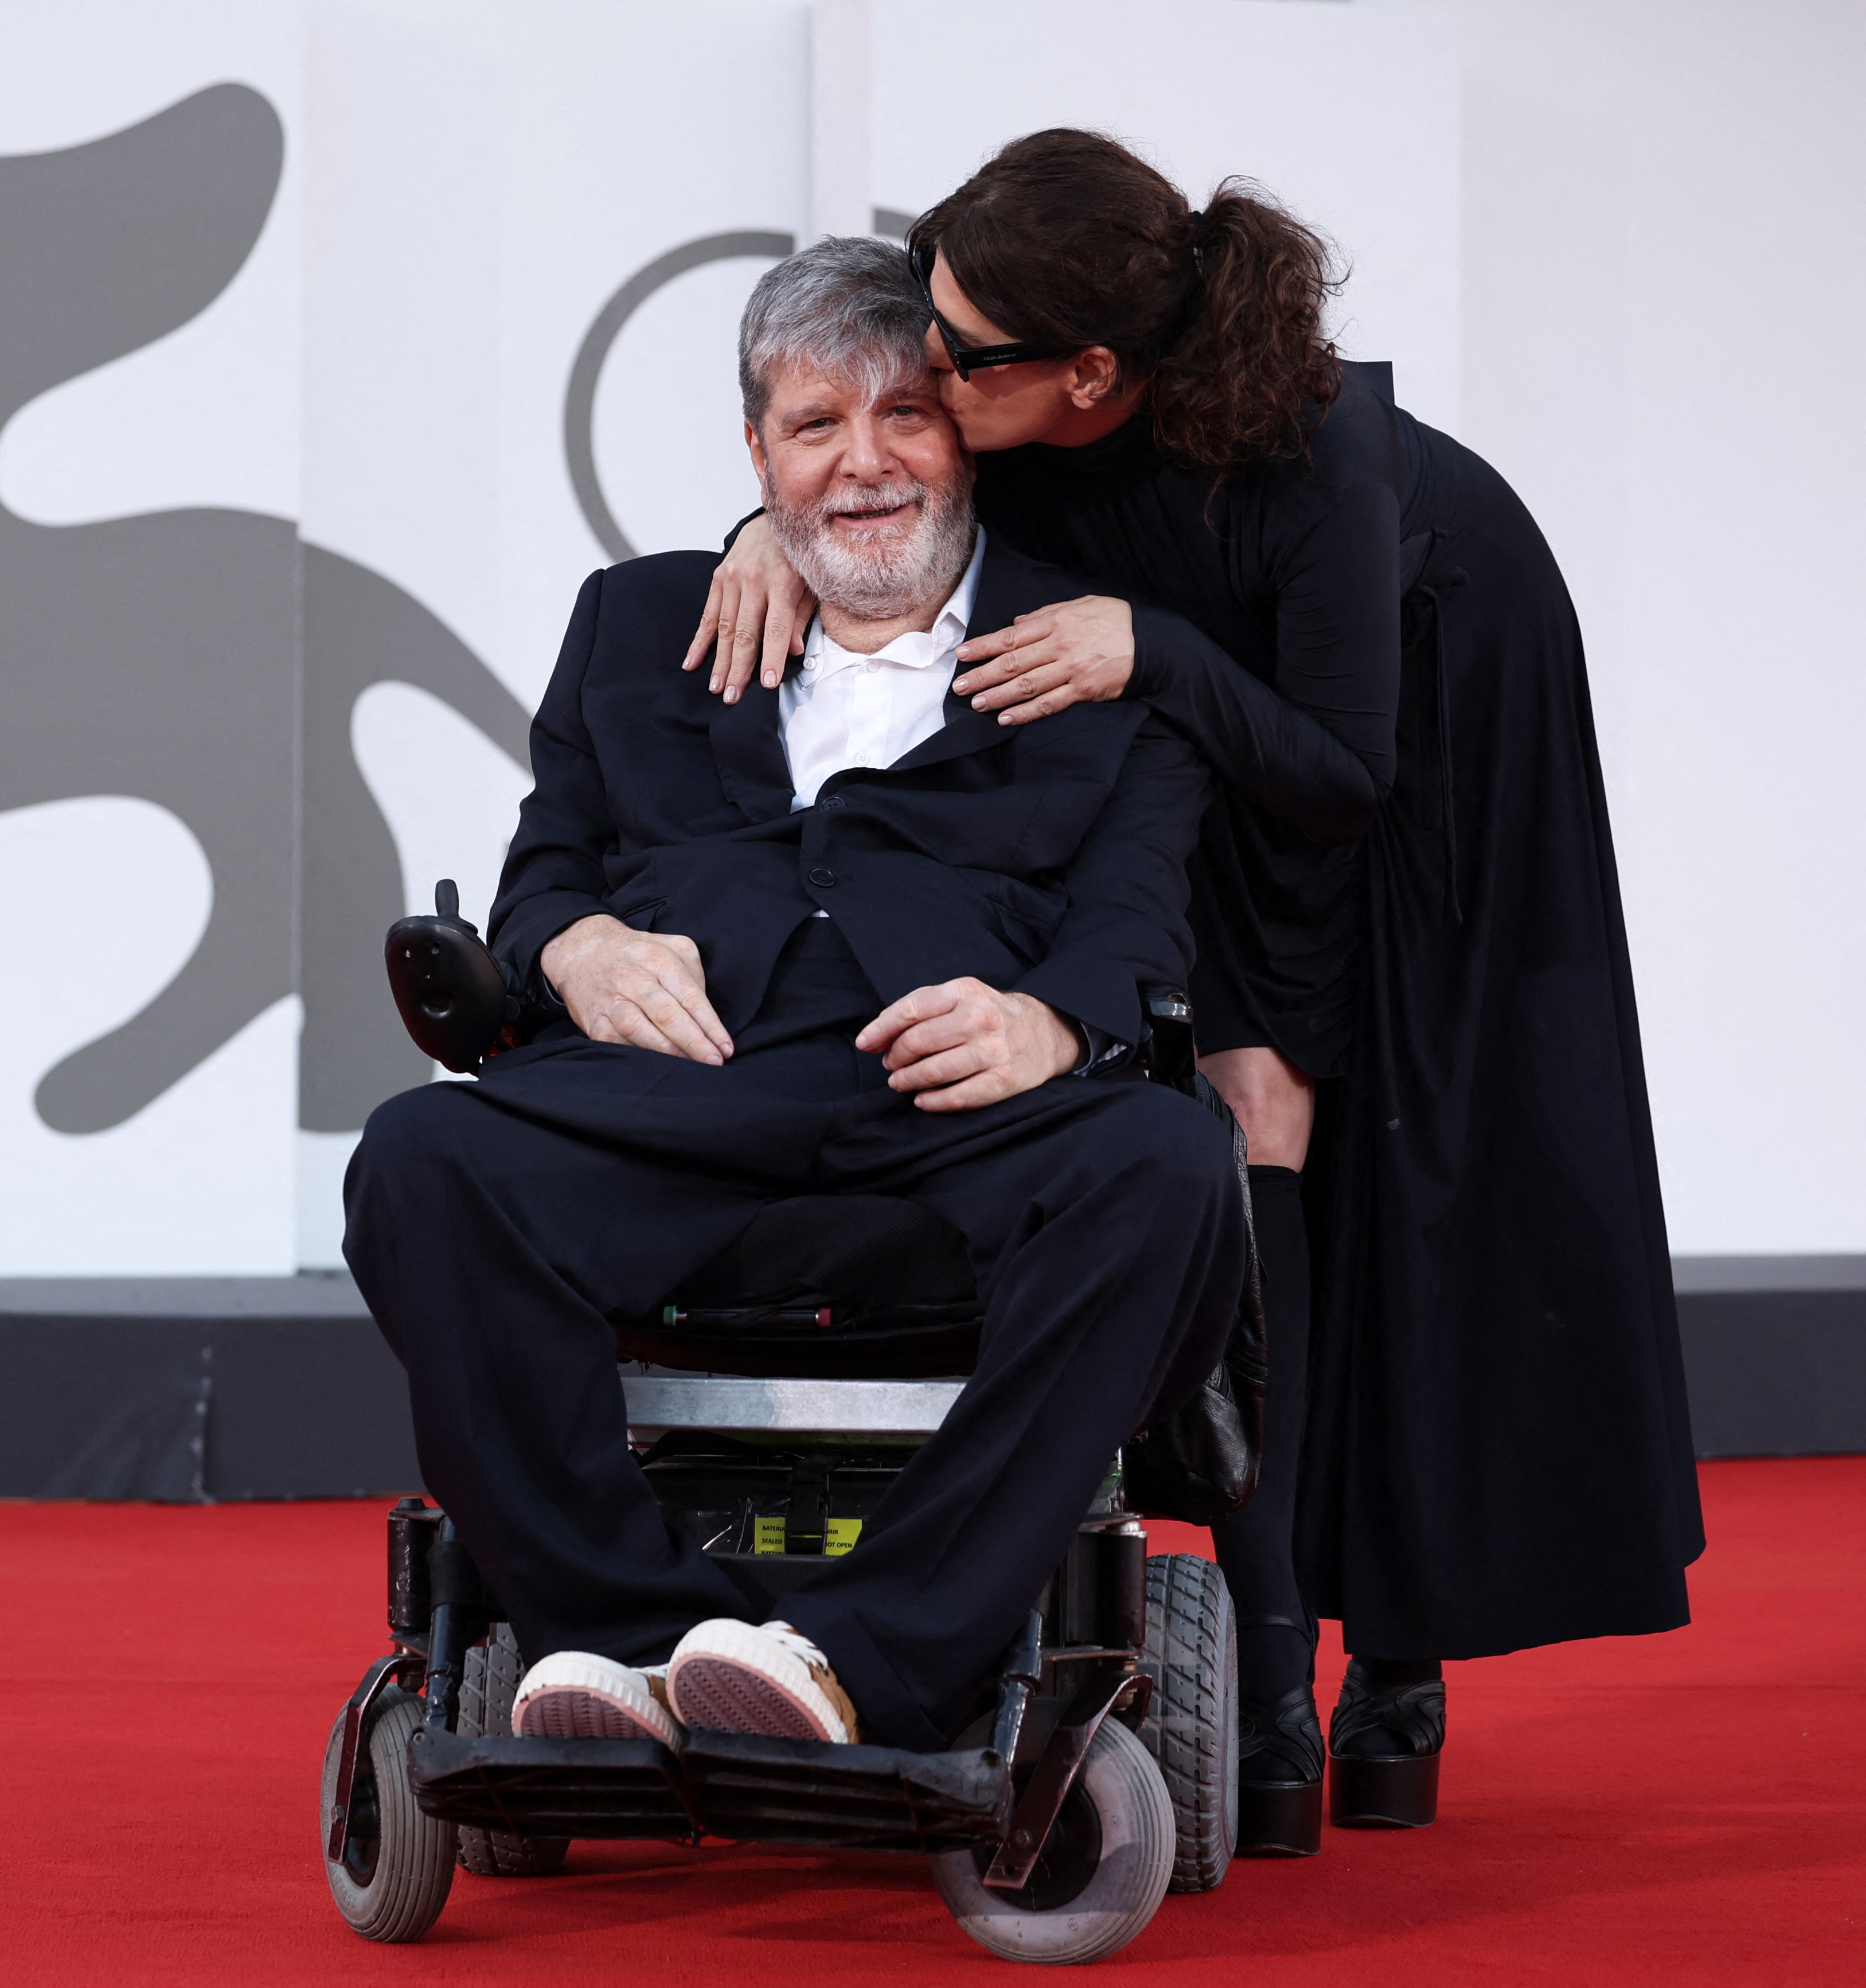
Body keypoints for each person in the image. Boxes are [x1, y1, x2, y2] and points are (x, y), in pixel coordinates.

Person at [685, 131, 1701, 1836]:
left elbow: (1337, 771)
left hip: (1417, 754)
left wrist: (1158, 648)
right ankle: (1271, 1687)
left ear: (1089, 371)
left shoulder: (1319, 475)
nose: (922, 369)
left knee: (1421, 1193)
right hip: (1221, 764)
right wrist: (760, 526)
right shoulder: (1042, 398)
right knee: (1249, 1149)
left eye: (955, 352)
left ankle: (1395, 1672)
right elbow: (883, 482)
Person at [343, 239, 1246, 1755]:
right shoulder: (636, 623)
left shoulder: (1092, 643)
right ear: (755, 451)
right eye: (814, 424)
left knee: (1159, 1164)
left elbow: (1131, 920)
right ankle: (617, 1646)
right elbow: (544, 873)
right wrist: (573, 949)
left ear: (966, 433)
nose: (863, 462)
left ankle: (861, 1665)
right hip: (675, 1102)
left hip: (954, 1116)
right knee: (420, 1160)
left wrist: (1044, 1024)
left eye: (904, 414)